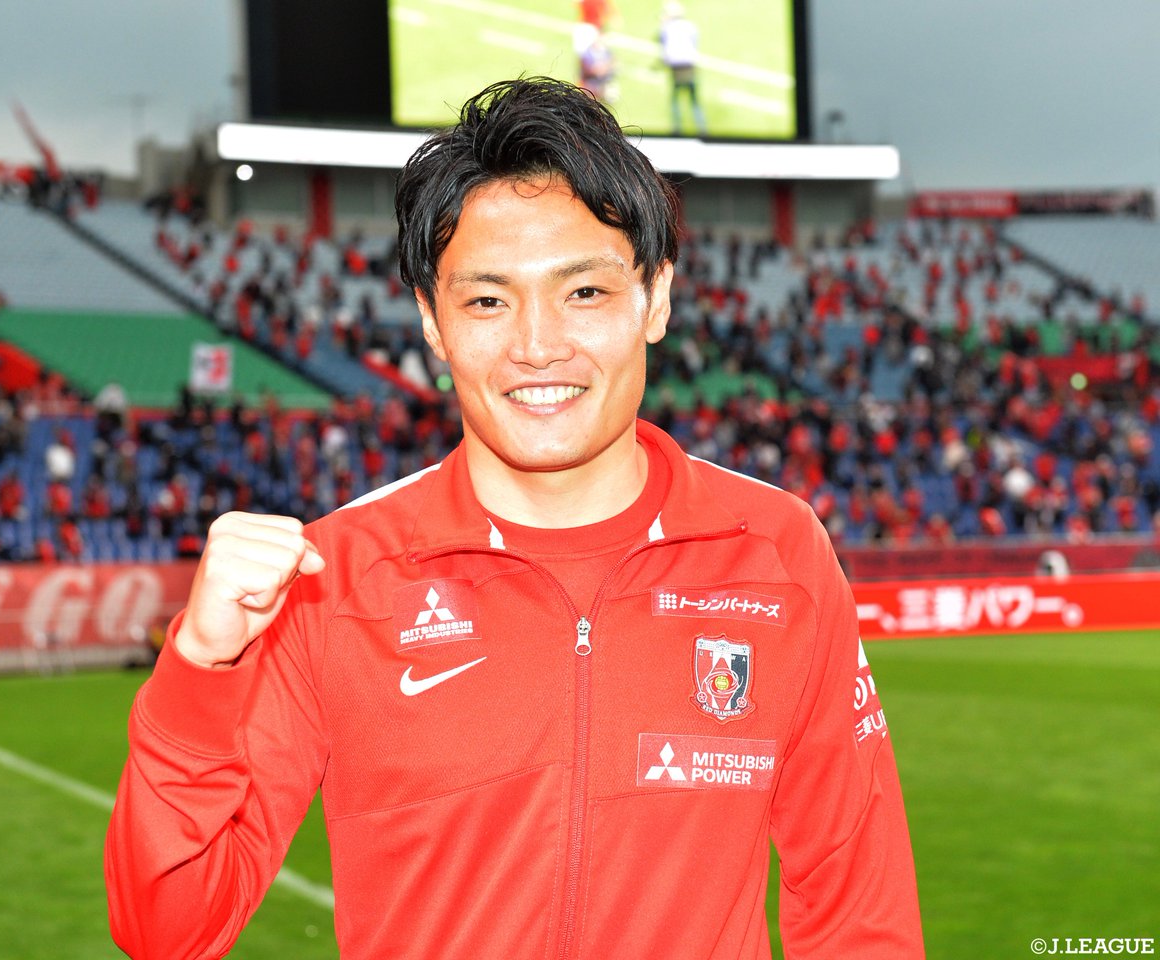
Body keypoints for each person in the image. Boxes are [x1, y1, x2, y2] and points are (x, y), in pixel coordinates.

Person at [105, 77, 923, 959]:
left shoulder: (775, 551)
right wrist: (199, 668)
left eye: (585, 293)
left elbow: (859, 914)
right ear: (432, 322)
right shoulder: (333, 578)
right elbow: (169, 930)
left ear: (656, 297)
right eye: (488, 301)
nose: (538, 346)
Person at [659, 1, 709, 136]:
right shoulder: (689, 26)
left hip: (676, 66)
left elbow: (664, 46)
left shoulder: (666, 28)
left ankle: (677, 130)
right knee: (694, 99)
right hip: (689, 64)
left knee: (676, 99)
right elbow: (694, 43)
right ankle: (702, 129)